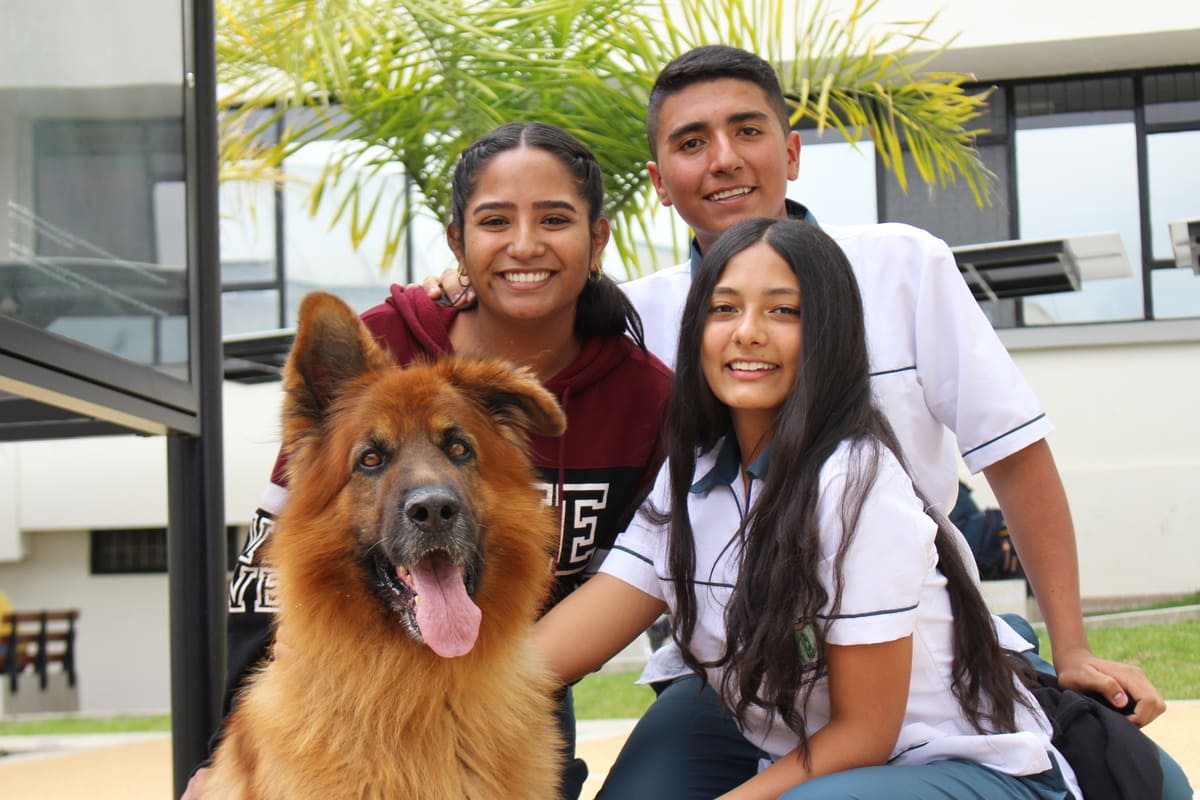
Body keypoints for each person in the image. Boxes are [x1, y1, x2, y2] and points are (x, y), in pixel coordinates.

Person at [594, 44, 1189, 800]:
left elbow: (1014, 454)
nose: (723, 160)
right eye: (690, 142)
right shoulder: (638, 316)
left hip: (906, 651)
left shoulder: (901, 266)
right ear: (658, 181)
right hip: (735, 673)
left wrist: (1071, 646)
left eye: (747, 131)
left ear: (793, 150)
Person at [183, 122, 673, 799]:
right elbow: (269, 564)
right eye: (495, 221)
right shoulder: (375, 346)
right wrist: (222, 757)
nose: (525, 243)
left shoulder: (645, 394)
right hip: (335, 684)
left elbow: (662, 563)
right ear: (457, 243)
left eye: (555, 219)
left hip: (514, 675)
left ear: (598, 240)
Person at [537, 216, 1085, 799]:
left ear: (830, 335)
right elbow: (548, 657)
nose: (747, 332)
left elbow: (864, 733)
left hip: (959, 764)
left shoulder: (856, 484)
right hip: (821, 764)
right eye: (724, 309)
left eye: (783, 311)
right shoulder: (694, 473)